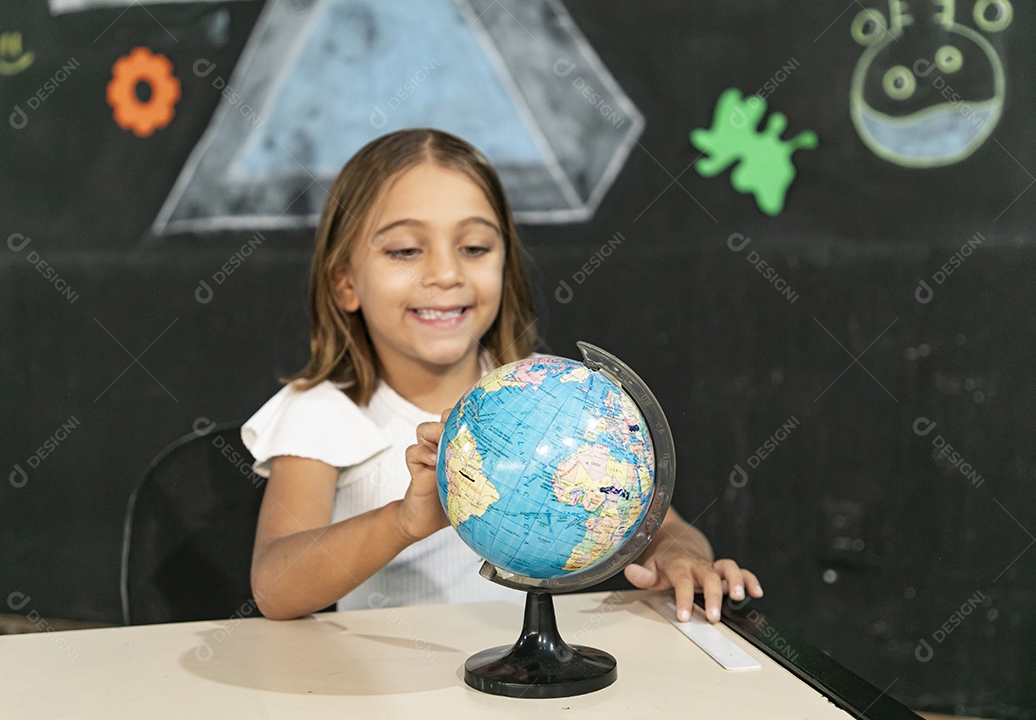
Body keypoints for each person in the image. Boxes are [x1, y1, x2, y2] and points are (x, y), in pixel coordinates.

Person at [242, 128, 762, 623]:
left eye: (474, 248)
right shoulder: (321, 412)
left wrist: (680, 556)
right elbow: (274, 588)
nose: (446, 274)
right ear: (345, 283)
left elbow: (661, 526)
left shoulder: (548, 397)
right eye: (404, 250)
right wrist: (403, 521)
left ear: (505, 264)